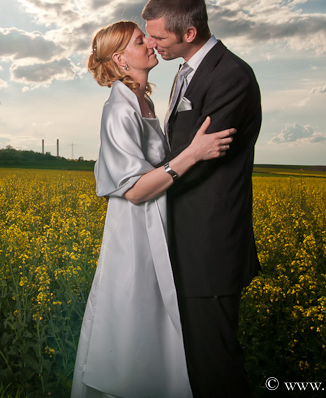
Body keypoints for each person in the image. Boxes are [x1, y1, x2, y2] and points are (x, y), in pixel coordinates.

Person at [71, 20, 235, 398]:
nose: (150, 44)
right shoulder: (118, 109)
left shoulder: (142, 101)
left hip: (152, 230)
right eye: (139, 41)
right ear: (121, 60)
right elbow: (135, 190)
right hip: (133, 234)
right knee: (133, 330)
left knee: (149, 329)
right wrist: (194, 153)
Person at [142, 0, 261, 398]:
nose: (151, 45)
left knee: (216, 363)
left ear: (189, 32)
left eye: (159, 37)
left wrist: (142, 184)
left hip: (209, 244)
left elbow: (205, 155)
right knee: (193, 359)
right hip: (184, 238)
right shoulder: (187, 70)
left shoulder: (231, 75)